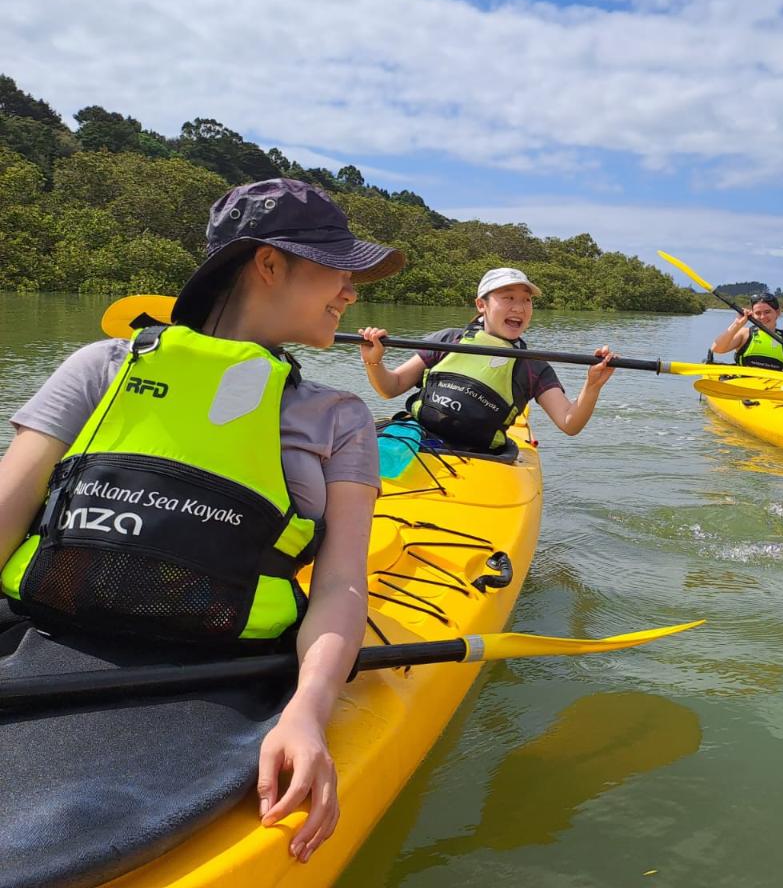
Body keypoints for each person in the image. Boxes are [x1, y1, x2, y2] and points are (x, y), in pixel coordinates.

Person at [0, 178, 405, 864]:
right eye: (338, 270)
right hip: (44, 633)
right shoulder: (99, 369)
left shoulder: (338, 417)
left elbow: (341, 586)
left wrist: (309, 709)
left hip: (218, 670)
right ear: (269, 264)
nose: (351, 292)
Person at [358, 267, 616, 452]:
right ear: (481, 305)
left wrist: (592, 385)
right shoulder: (448, 340)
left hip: (480, 455)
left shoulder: (533, 366)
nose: (519, 308)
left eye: (526, 300)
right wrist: (374, 361)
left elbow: (569, 423)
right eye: (508, 298)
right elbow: (390, 388)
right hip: (417, 440)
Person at [708, 292, 783, 374]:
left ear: (777, 312)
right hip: (742, 384)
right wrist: (737, 324)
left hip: (771, 389)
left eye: (767, 312)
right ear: (752, 314)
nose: (762, 317)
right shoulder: (745, 334)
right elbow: (717, 349)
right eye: (757, 313)